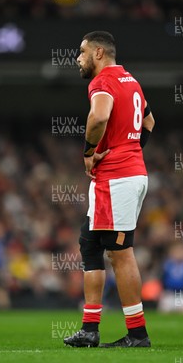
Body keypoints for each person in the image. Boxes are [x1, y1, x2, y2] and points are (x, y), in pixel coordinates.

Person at [63, 31, 155, 348]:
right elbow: (150, 122)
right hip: (124, 176)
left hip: (117, 178)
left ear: (99, 53)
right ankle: (90, 328)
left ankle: (138, 334)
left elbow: (99, 116)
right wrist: (131, 150)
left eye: (82, 51)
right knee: (90, 244)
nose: (78, 58)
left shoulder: (101, 82)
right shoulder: (131, 80)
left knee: (120, 253)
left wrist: (90, 151)